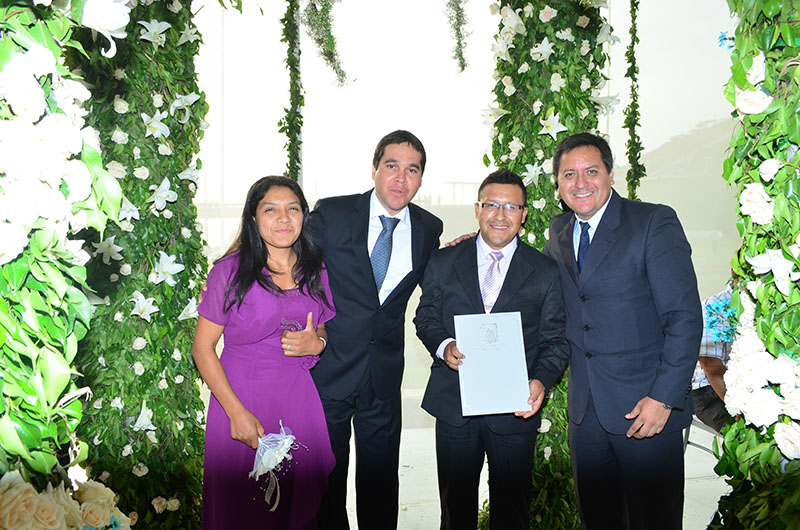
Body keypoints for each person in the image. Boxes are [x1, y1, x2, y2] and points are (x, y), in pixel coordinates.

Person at [543, 132, 702, 530]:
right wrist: (478, 246)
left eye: (591, 171)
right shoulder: (558, 232)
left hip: (647, 411)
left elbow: (684, 318)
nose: (580, 183)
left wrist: (663, 399)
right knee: (598, 520)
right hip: (586, 416)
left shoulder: (652, 222)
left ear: (611, 174)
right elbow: (539, 292)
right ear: (558, 184)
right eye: (569, 174)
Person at [414, 169, 569, 529]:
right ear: (477, 209)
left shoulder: (545, 271)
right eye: (492, 205)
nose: (500, 215)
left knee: (512, 510)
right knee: (455, 510)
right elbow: (426, 317)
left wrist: (541, 381)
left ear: (523, 214)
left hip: (515, 408)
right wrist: (444, 346)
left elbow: (556, 338)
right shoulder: (443, 261)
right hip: (455, 405)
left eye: (511, 207)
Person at [310, 130, 443, 529]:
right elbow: (293, 270)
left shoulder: (428, 229)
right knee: (325, 482)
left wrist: (470, 251)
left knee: (381, 483)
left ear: (420, 179)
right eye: (392, 166)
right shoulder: (332, 215)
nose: (401, 178)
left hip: (383, 379)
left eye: (412, 170)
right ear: (374, 169)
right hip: (328, 370)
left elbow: (439, 287)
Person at [193, 176, 336, 530]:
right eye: (271, 209)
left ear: (304, 216)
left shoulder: (314, 267)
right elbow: (202, 348)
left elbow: (320, 327)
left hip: (297, 401)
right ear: (253, 218)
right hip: (242, 400)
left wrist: (316, 343)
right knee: (244, 510)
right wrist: (236, 413)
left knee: (294, 510)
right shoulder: (229, 271)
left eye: (293, 209)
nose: (284, 218)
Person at [692, 285, 734, 433]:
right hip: (711, 392)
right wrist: (736, 407)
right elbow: (711, 366)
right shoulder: (714, 308)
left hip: (746, 388)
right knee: (745, 435)